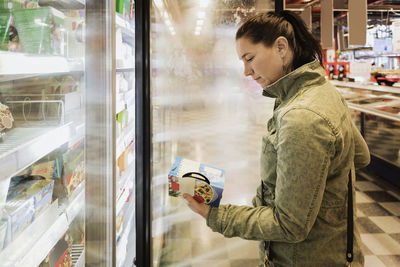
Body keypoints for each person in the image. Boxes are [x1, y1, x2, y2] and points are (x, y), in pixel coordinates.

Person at [183, 10, 370, 267]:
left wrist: (214, 215)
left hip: (302, 259)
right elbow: (360, 155)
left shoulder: (301, 117)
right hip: (336, 249)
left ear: (281, 47)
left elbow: (290, 225)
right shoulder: (322, 91)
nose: (246, 71)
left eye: (250, 58)